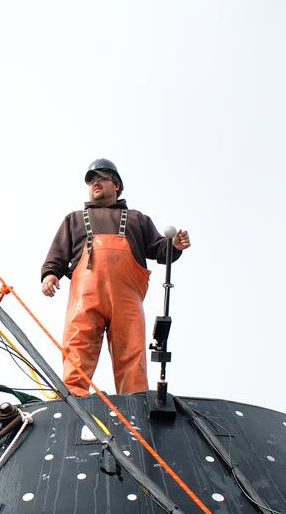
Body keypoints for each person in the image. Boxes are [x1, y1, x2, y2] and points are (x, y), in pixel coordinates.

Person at [41, 159, 190, 396]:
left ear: (117, 185)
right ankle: (73, 396)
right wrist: (50, 274)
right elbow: (58, 253)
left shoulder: (136, 219)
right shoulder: (74, 219)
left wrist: (174, 246)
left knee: (131, 350)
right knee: (78, 343)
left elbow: (159, 249)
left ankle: (136, 400)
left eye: (100, 178)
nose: (95, 183)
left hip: (127, 300)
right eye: (91, 180)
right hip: (86, 299)